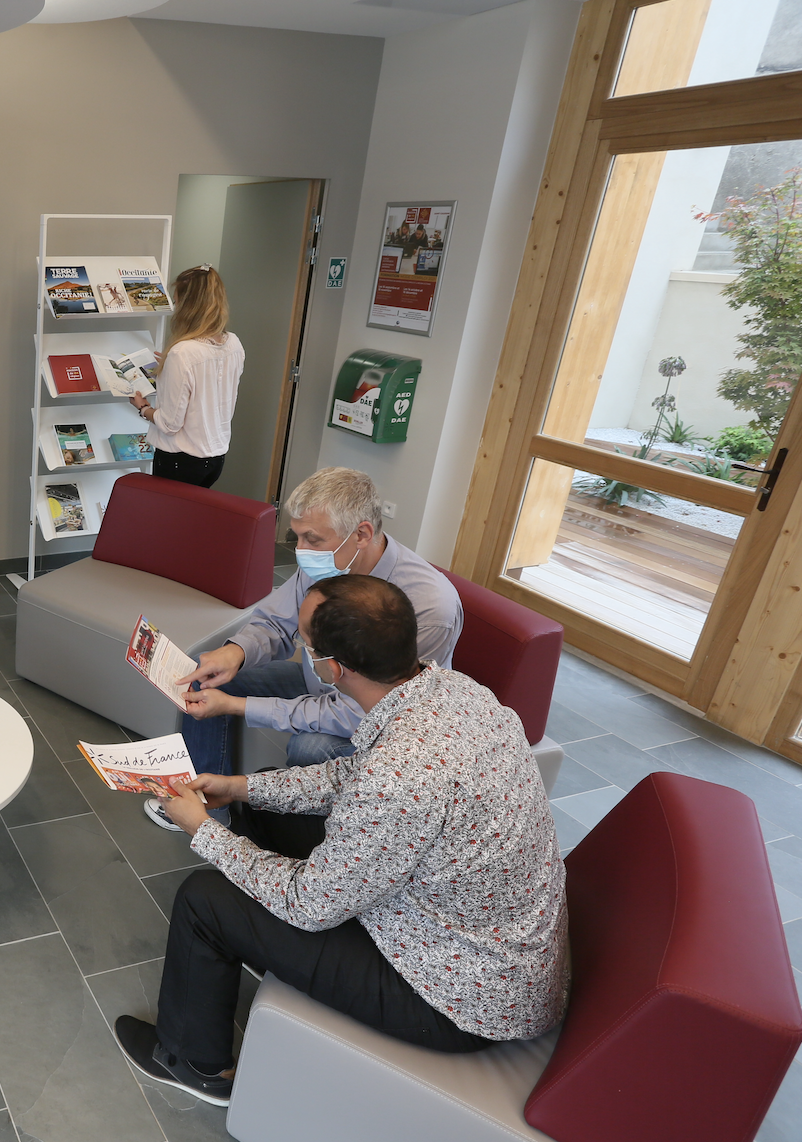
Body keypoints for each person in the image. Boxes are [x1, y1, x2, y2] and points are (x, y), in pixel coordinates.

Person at [113, 574, 568, 1108]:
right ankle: (261, 948)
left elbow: (309, 904)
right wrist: (240, 788)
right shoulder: (458, 691)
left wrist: (203, 831)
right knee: (264, 804)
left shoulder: (400, 777)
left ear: (334, 668)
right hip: (474, 936)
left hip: (459, 998)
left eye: (305, 642)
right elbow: (350, 776)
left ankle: (193, 1062)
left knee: (203, 900)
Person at [144, 466, 460, 832]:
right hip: (321, 682)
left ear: (361, 534)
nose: (301, 552)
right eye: (297, 537)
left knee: (309, 748)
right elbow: (276, 621)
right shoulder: (331, 561)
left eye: (312, 539)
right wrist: (235, 653)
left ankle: (324, 841)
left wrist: (237, 706)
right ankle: (205, 809)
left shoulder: (429, 607)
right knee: (209, 678)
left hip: (380, 727)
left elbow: (360, 713)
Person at [128, 264, 243, 488]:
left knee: (168, 512)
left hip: (179, 461)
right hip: (215, 458)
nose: (175, 306)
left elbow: (169, 424)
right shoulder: (234, 344)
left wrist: (142, 407)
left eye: (177, 300)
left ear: (188, 305)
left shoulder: (183, 353)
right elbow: (212, 384)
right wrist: (170, 366)